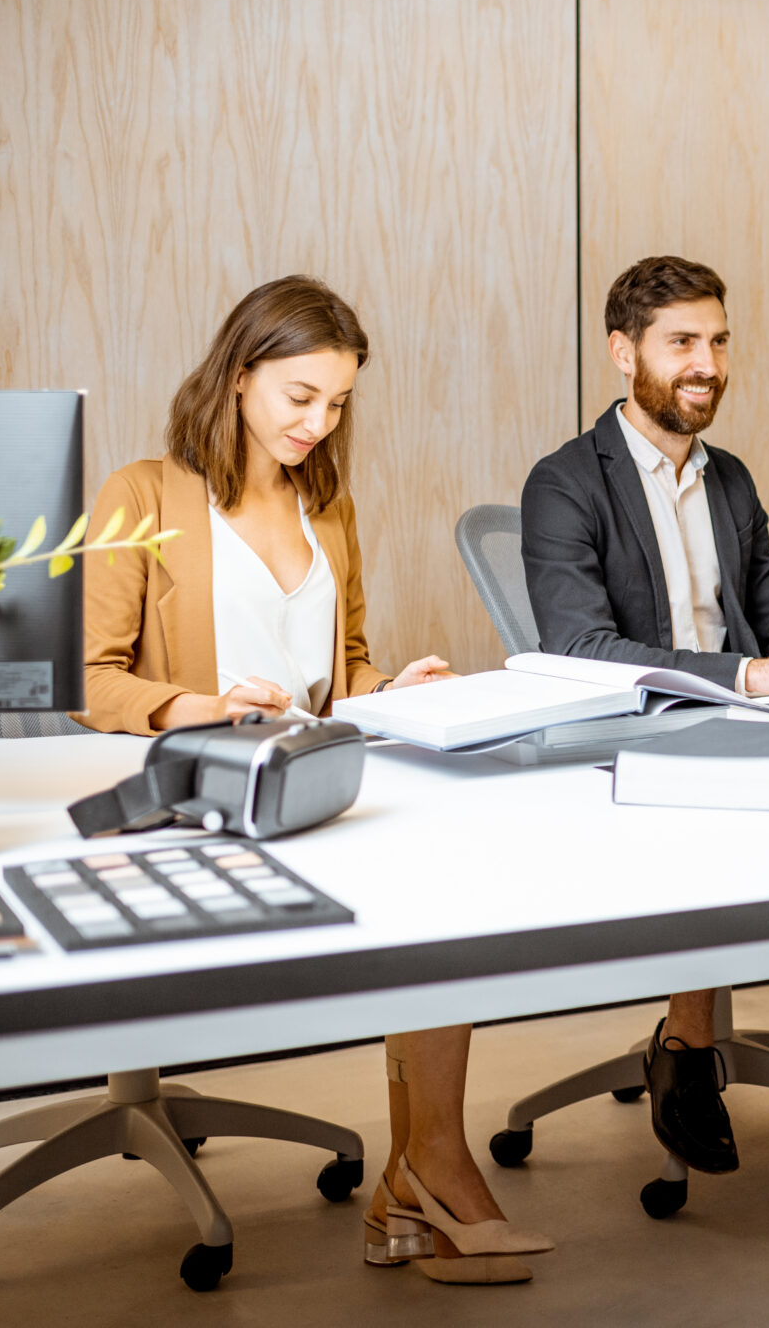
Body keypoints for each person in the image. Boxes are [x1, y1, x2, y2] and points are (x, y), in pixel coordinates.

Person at [78, 276, 553, 1285]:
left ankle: (422, 1170)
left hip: (305, 780)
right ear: (238, 375)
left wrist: (394, 686)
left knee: (445, 885)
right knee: (422, 891)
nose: (317, 421)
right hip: (195, 793)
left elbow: (339, 678)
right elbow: (88, 676)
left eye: (335, 402)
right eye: (299, 395)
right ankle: (427, 1179)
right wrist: (197, 705)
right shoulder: (144, 492)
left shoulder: (324, 505)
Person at [521, 255, 769, 1176]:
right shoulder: (565, 483)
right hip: (639, 731)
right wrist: (750, 675)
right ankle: (687, 1047)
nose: (708, 363)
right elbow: (580, 651)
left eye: (719, 341)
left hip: (749, 714)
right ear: (624, 354)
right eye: (683, 342)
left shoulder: (730, 479)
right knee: (711, 832)